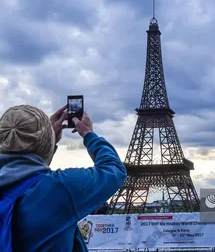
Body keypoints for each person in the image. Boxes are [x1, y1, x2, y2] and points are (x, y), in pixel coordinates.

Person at [0, 104, 127, 251]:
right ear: (44, 143)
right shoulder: (61, 189)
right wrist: (89, 134)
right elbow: (115, 170)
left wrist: (47, 140)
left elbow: (29, 175)